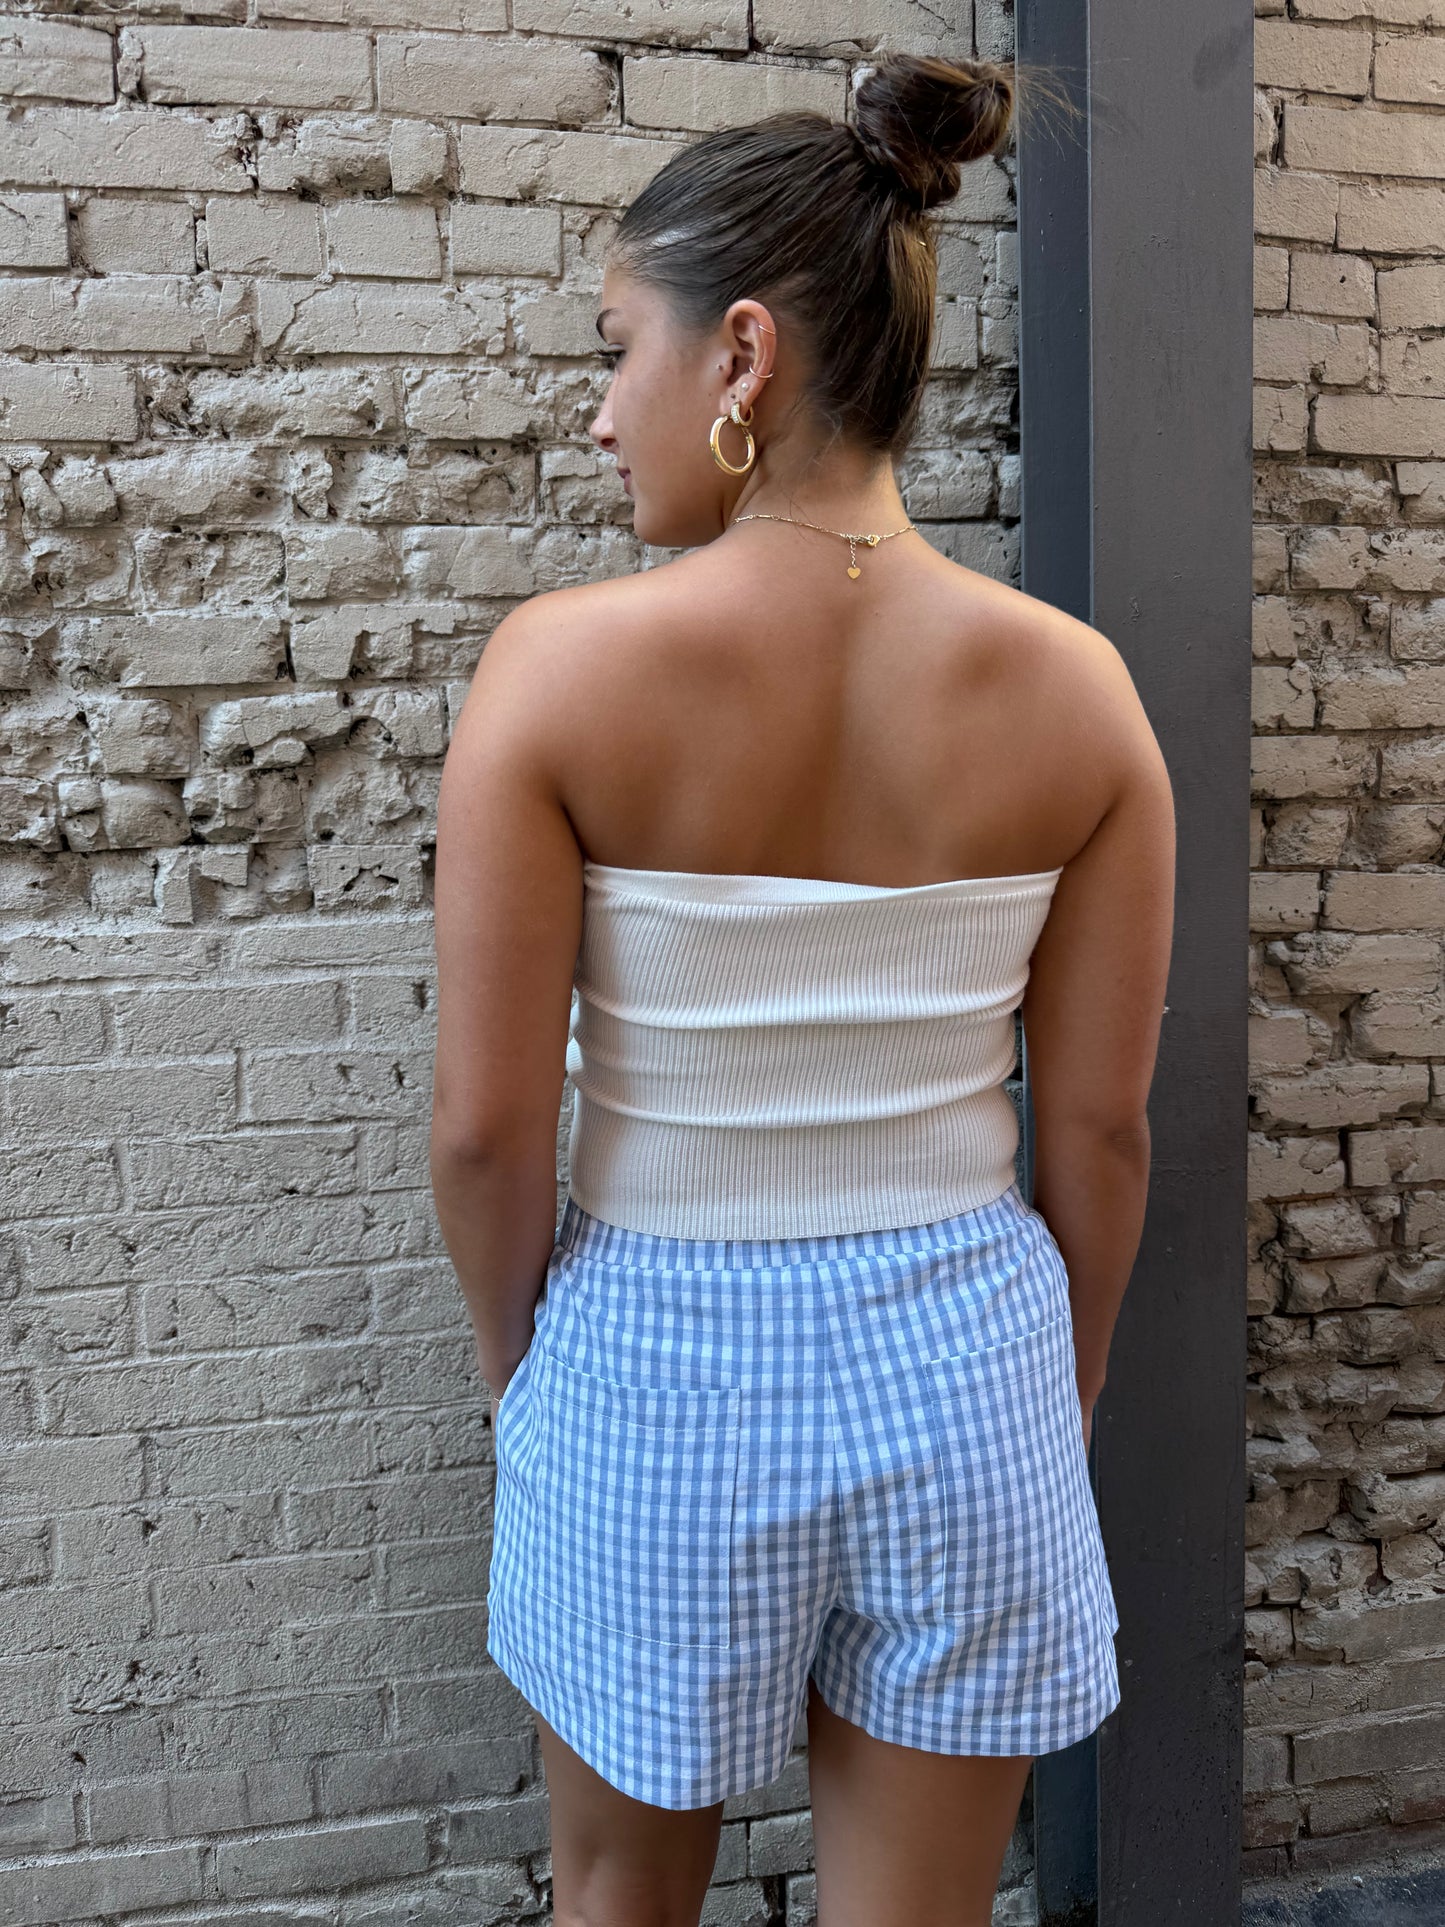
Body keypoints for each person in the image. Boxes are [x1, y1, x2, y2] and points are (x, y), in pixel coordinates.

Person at [429, 47, 1175, 1927]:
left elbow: (485, 1130)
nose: (604, 415)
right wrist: (1049, 1374)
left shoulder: (558, 674)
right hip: (967, 1359)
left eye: (619, 350)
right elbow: (1093, 1124)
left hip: (652, 1359)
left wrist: (537, 1385)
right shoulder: (1077, 692)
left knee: (617, 1907)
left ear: (740, 356)